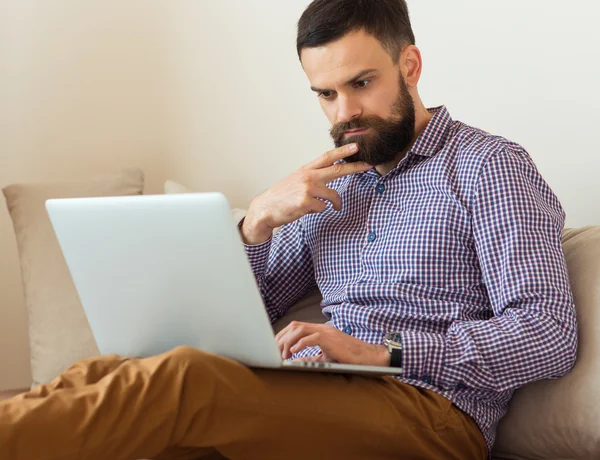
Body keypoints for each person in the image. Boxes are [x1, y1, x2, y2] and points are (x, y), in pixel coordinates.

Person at [0, 1, 578, 459]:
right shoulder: (330, 184)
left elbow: (548, 333)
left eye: (360, 83)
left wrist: (381, 353)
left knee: (188, 383)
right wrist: (255, 223)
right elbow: (237, 315)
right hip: (316, 397)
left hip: (432, 415)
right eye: (325, 94)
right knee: (105, 375)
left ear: (410, 66)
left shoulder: (488, 165)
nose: (342, 112)